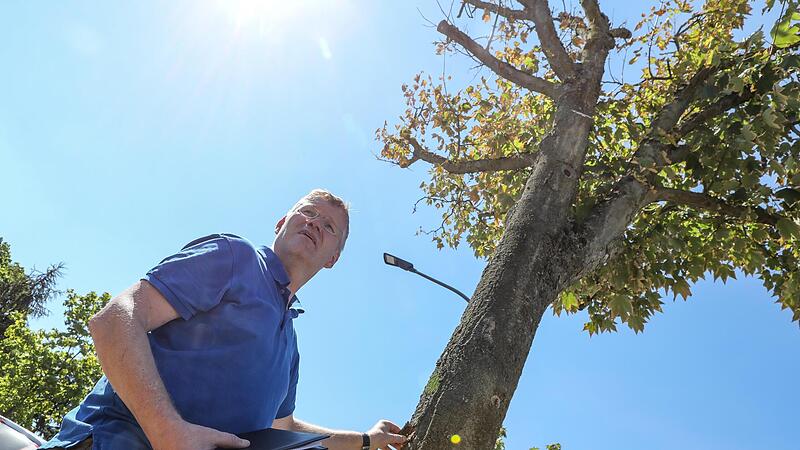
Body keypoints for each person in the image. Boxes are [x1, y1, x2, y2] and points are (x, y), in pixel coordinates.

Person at [41, 189, 408, 450]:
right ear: (282, 222)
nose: (315, 223)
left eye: (329, 226)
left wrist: (366, 440)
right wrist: (167, 430)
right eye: (308, 212)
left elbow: (286, 428)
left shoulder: (290, 347)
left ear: (332, 258)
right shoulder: (236, 257)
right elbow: (115, 319)